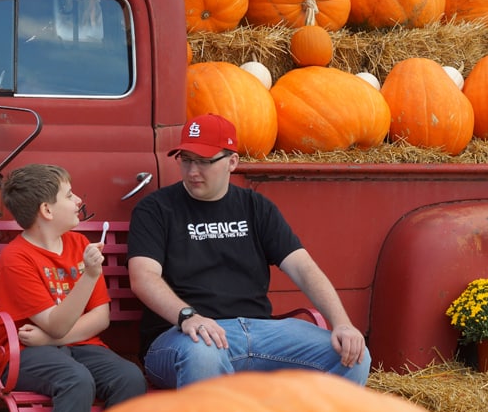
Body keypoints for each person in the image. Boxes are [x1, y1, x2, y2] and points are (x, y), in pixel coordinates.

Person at [127, 113, 372, 389]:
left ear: (232, 162)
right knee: (203, 355)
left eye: (204, 162)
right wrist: (188, 317)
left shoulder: (256, 207)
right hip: (182, 335)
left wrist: (341, 323)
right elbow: (143, 277)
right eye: (186, 160)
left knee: (354, 356)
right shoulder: (156, 209)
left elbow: (303, 268)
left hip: (261, 332)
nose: (193, 171)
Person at [0, 164, 146, 412]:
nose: (78, 201)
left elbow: (100, 317)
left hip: (70, 346)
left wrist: (48, 340)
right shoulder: (16, 259)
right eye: (69, 195)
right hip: (22, 355)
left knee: (130, 377)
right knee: (76, 379)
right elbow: (56, 324)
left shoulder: (78, 244)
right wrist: (90, 275)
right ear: (47, 211)